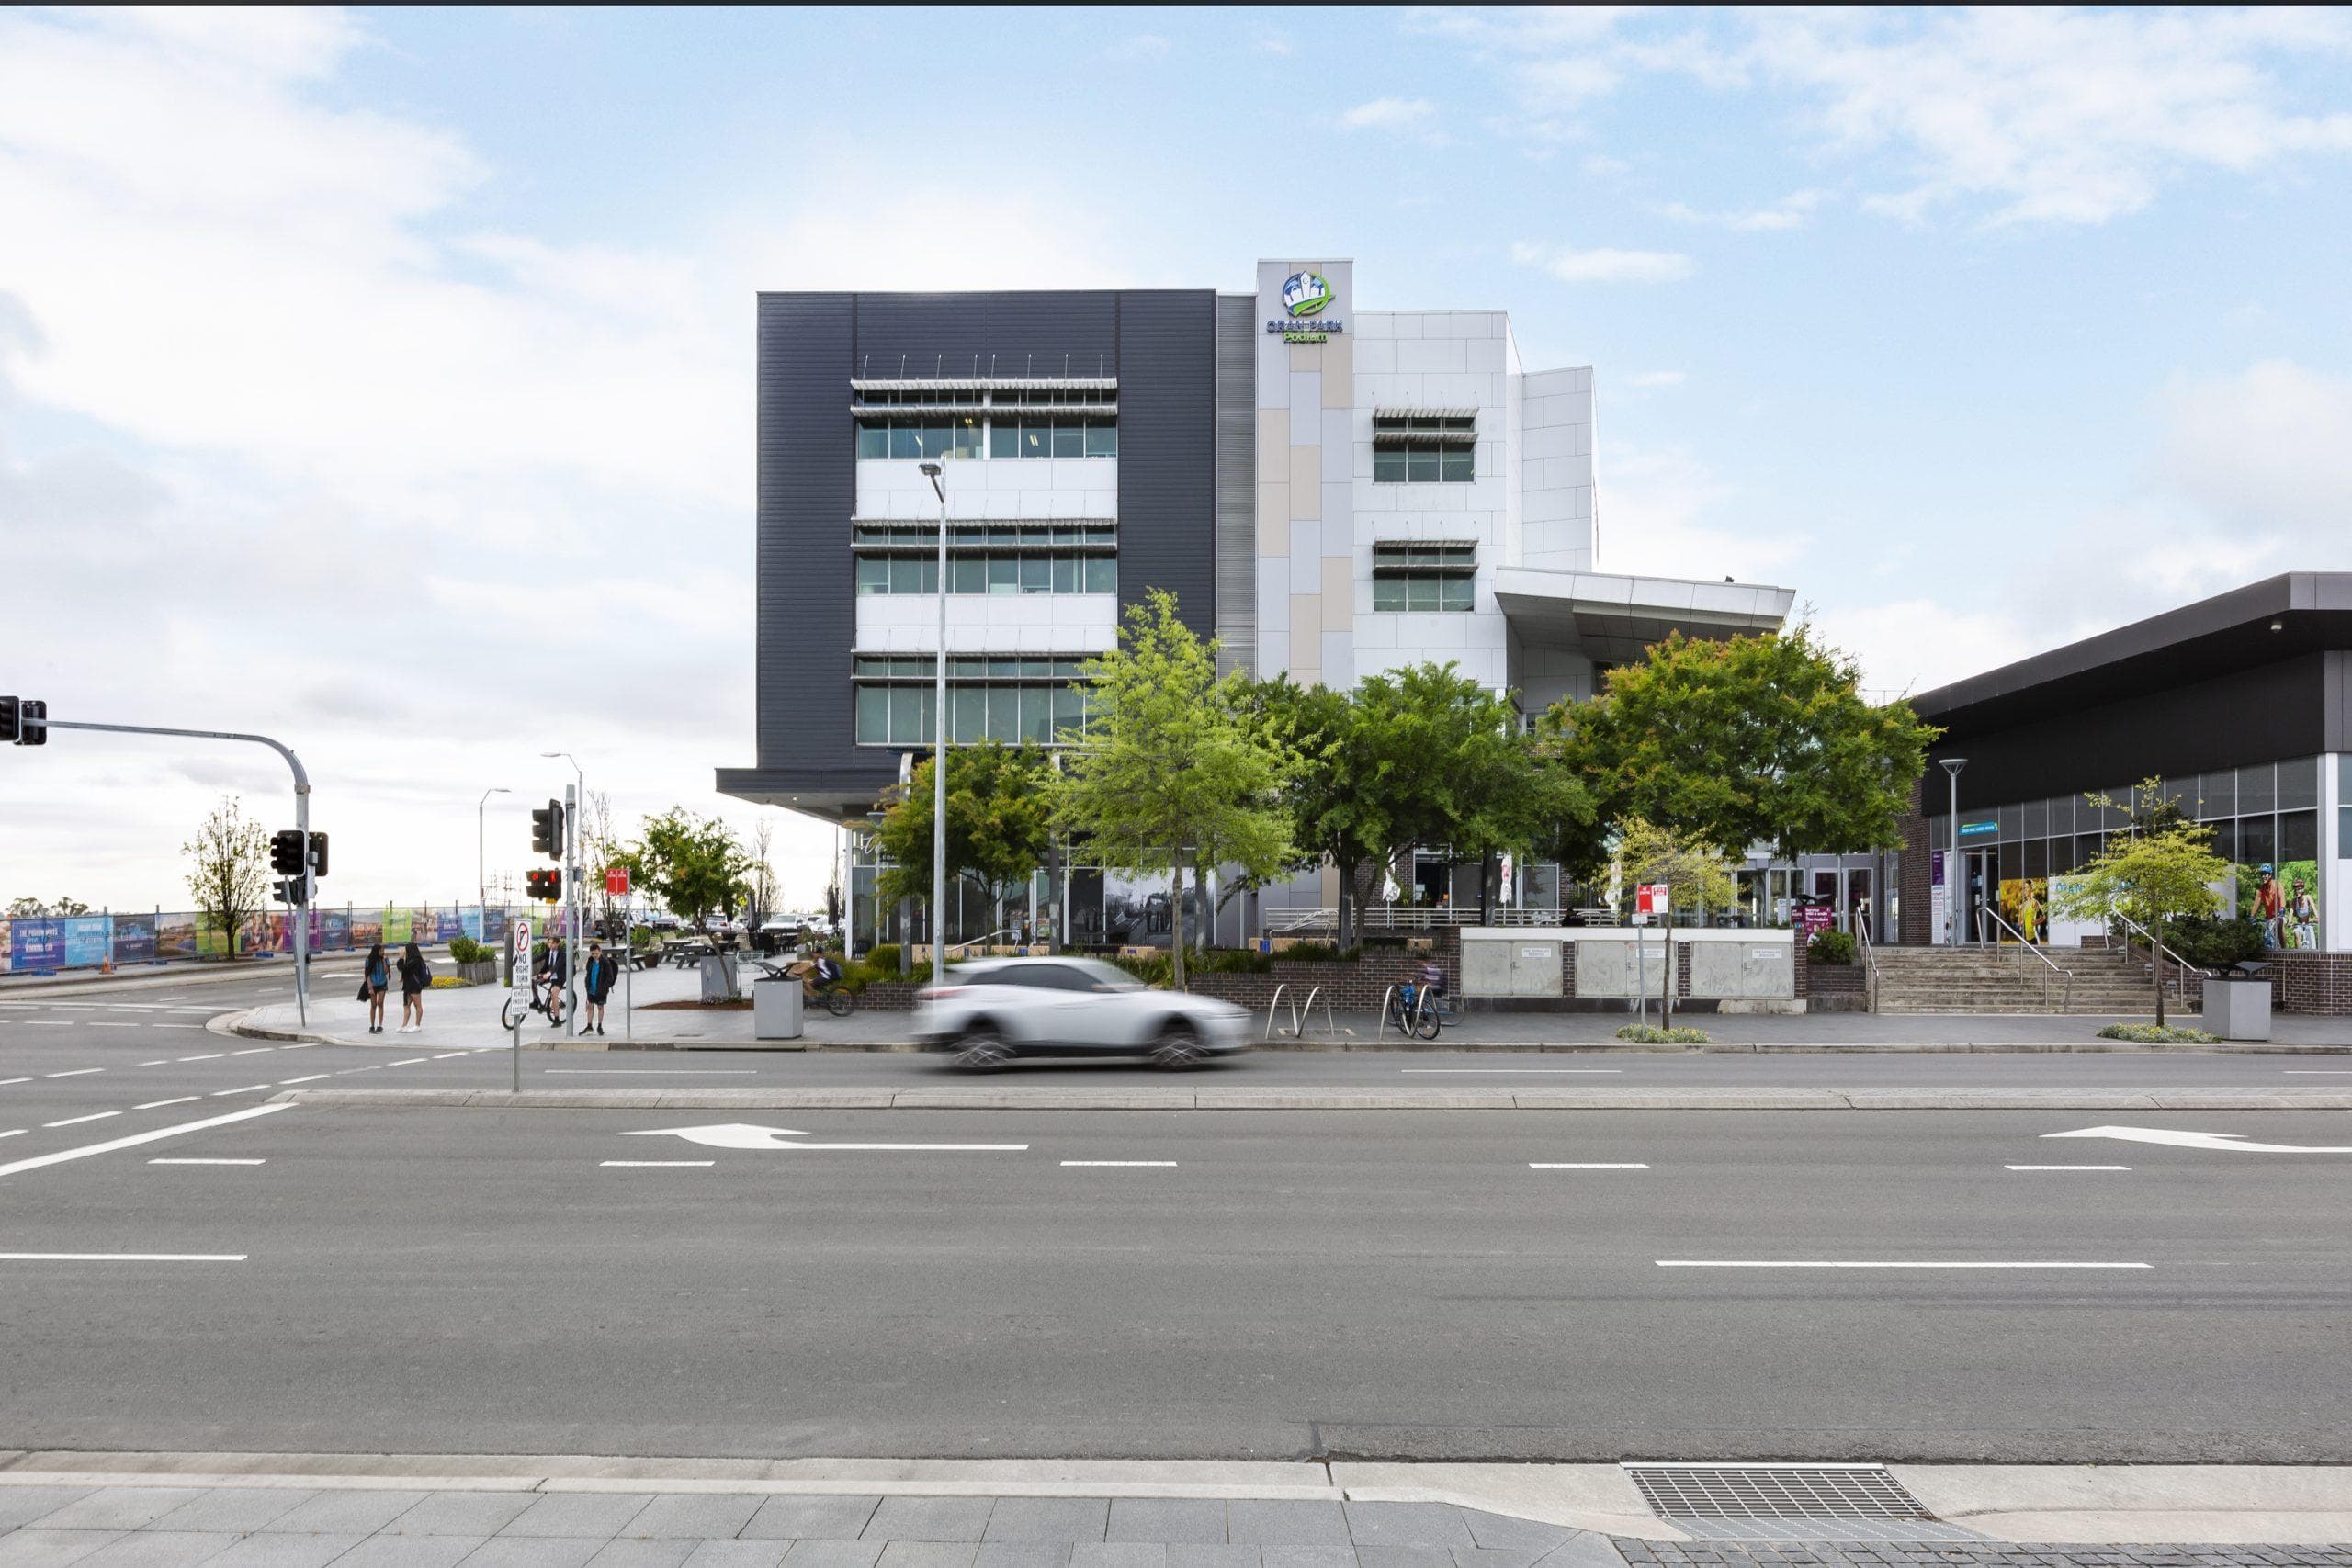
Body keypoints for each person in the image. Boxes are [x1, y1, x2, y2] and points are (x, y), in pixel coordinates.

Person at [583, 942, 617, 1037]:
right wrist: (587, 984)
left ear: (600, 952)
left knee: (600, 1007)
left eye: (596, 953)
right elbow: (588, 973)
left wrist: (604, 987)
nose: (595, 955)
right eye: (593, 953)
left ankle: (599, 1026)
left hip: (601, 989)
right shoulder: (590, 961)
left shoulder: (605, 962)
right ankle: (589, 1026)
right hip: (591, 988)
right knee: (590, 1006)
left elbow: (610, 977)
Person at [397, 941, 431, 1032]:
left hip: (415, 986)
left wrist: (401, 957)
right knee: (406, 1005)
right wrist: (403, 978)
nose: (405, 951)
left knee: (417, 1005)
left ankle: (417, 1025)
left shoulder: (416, 961)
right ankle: (404, 1025)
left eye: (406, 950)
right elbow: (406, 971)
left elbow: (402, 968)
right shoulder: (410, 960)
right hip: (408, 986)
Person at [537, 940, 568, 1028]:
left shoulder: (562, 954)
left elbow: (557, 966)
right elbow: (538, 958)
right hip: (550, 974)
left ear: (558, 944)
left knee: (554, 994)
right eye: (549, 943)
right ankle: (536, 1002)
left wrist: (549, 973)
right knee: (533, 982)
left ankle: (557, 1020)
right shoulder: (548, 952)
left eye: (553, 943)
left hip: (560, 975)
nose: (551, 945)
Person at [362, 942, 390, 1034]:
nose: (383, 952)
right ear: (376, 951)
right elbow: (367, 974)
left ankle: (380, 1025)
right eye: (382, 951)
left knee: (380, 1003)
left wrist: (384, 961)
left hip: (382, 983)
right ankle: (372, 1025)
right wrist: (370, 987)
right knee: (373, 1005)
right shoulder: (369, 960)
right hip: (373, 984)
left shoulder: (385, 959)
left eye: (384, 950)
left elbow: (386, 972)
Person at [2290, 879, 2318, 950]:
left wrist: (2317, 917)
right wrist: (2290, 921)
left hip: (2309, 923)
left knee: (2312, 947)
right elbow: (2291, 911)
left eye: (2299, 889)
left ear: (2303, 889)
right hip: (2299, 924)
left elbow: (2314, 907)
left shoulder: (2307, 897)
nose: (2297, 891)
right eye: (2296, 890)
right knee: (2296, 933)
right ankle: (2298, 954)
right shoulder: (2294, 901)